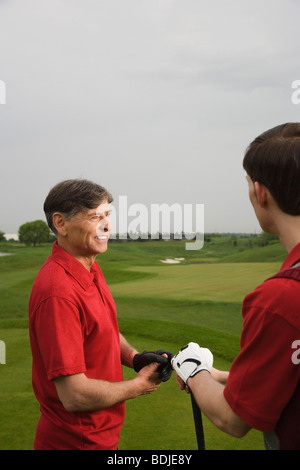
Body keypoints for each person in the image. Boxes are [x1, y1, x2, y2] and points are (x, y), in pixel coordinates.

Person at [172, 123, 300, 450]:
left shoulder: (280, 299)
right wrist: (228, 378)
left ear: (261, 192)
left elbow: (232, 418)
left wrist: (193, 369)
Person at [29, 179, 172, 450]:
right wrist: (138, 386)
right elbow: (74, 396)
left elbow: (103, 330)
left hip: (99, 439)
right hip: (74, 442)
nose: (106, 225)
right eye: (95, 217)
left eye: (107, 215)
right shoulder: (57, 291)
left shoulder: (90, 268)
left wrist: (135, 358)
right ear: (60, 223)